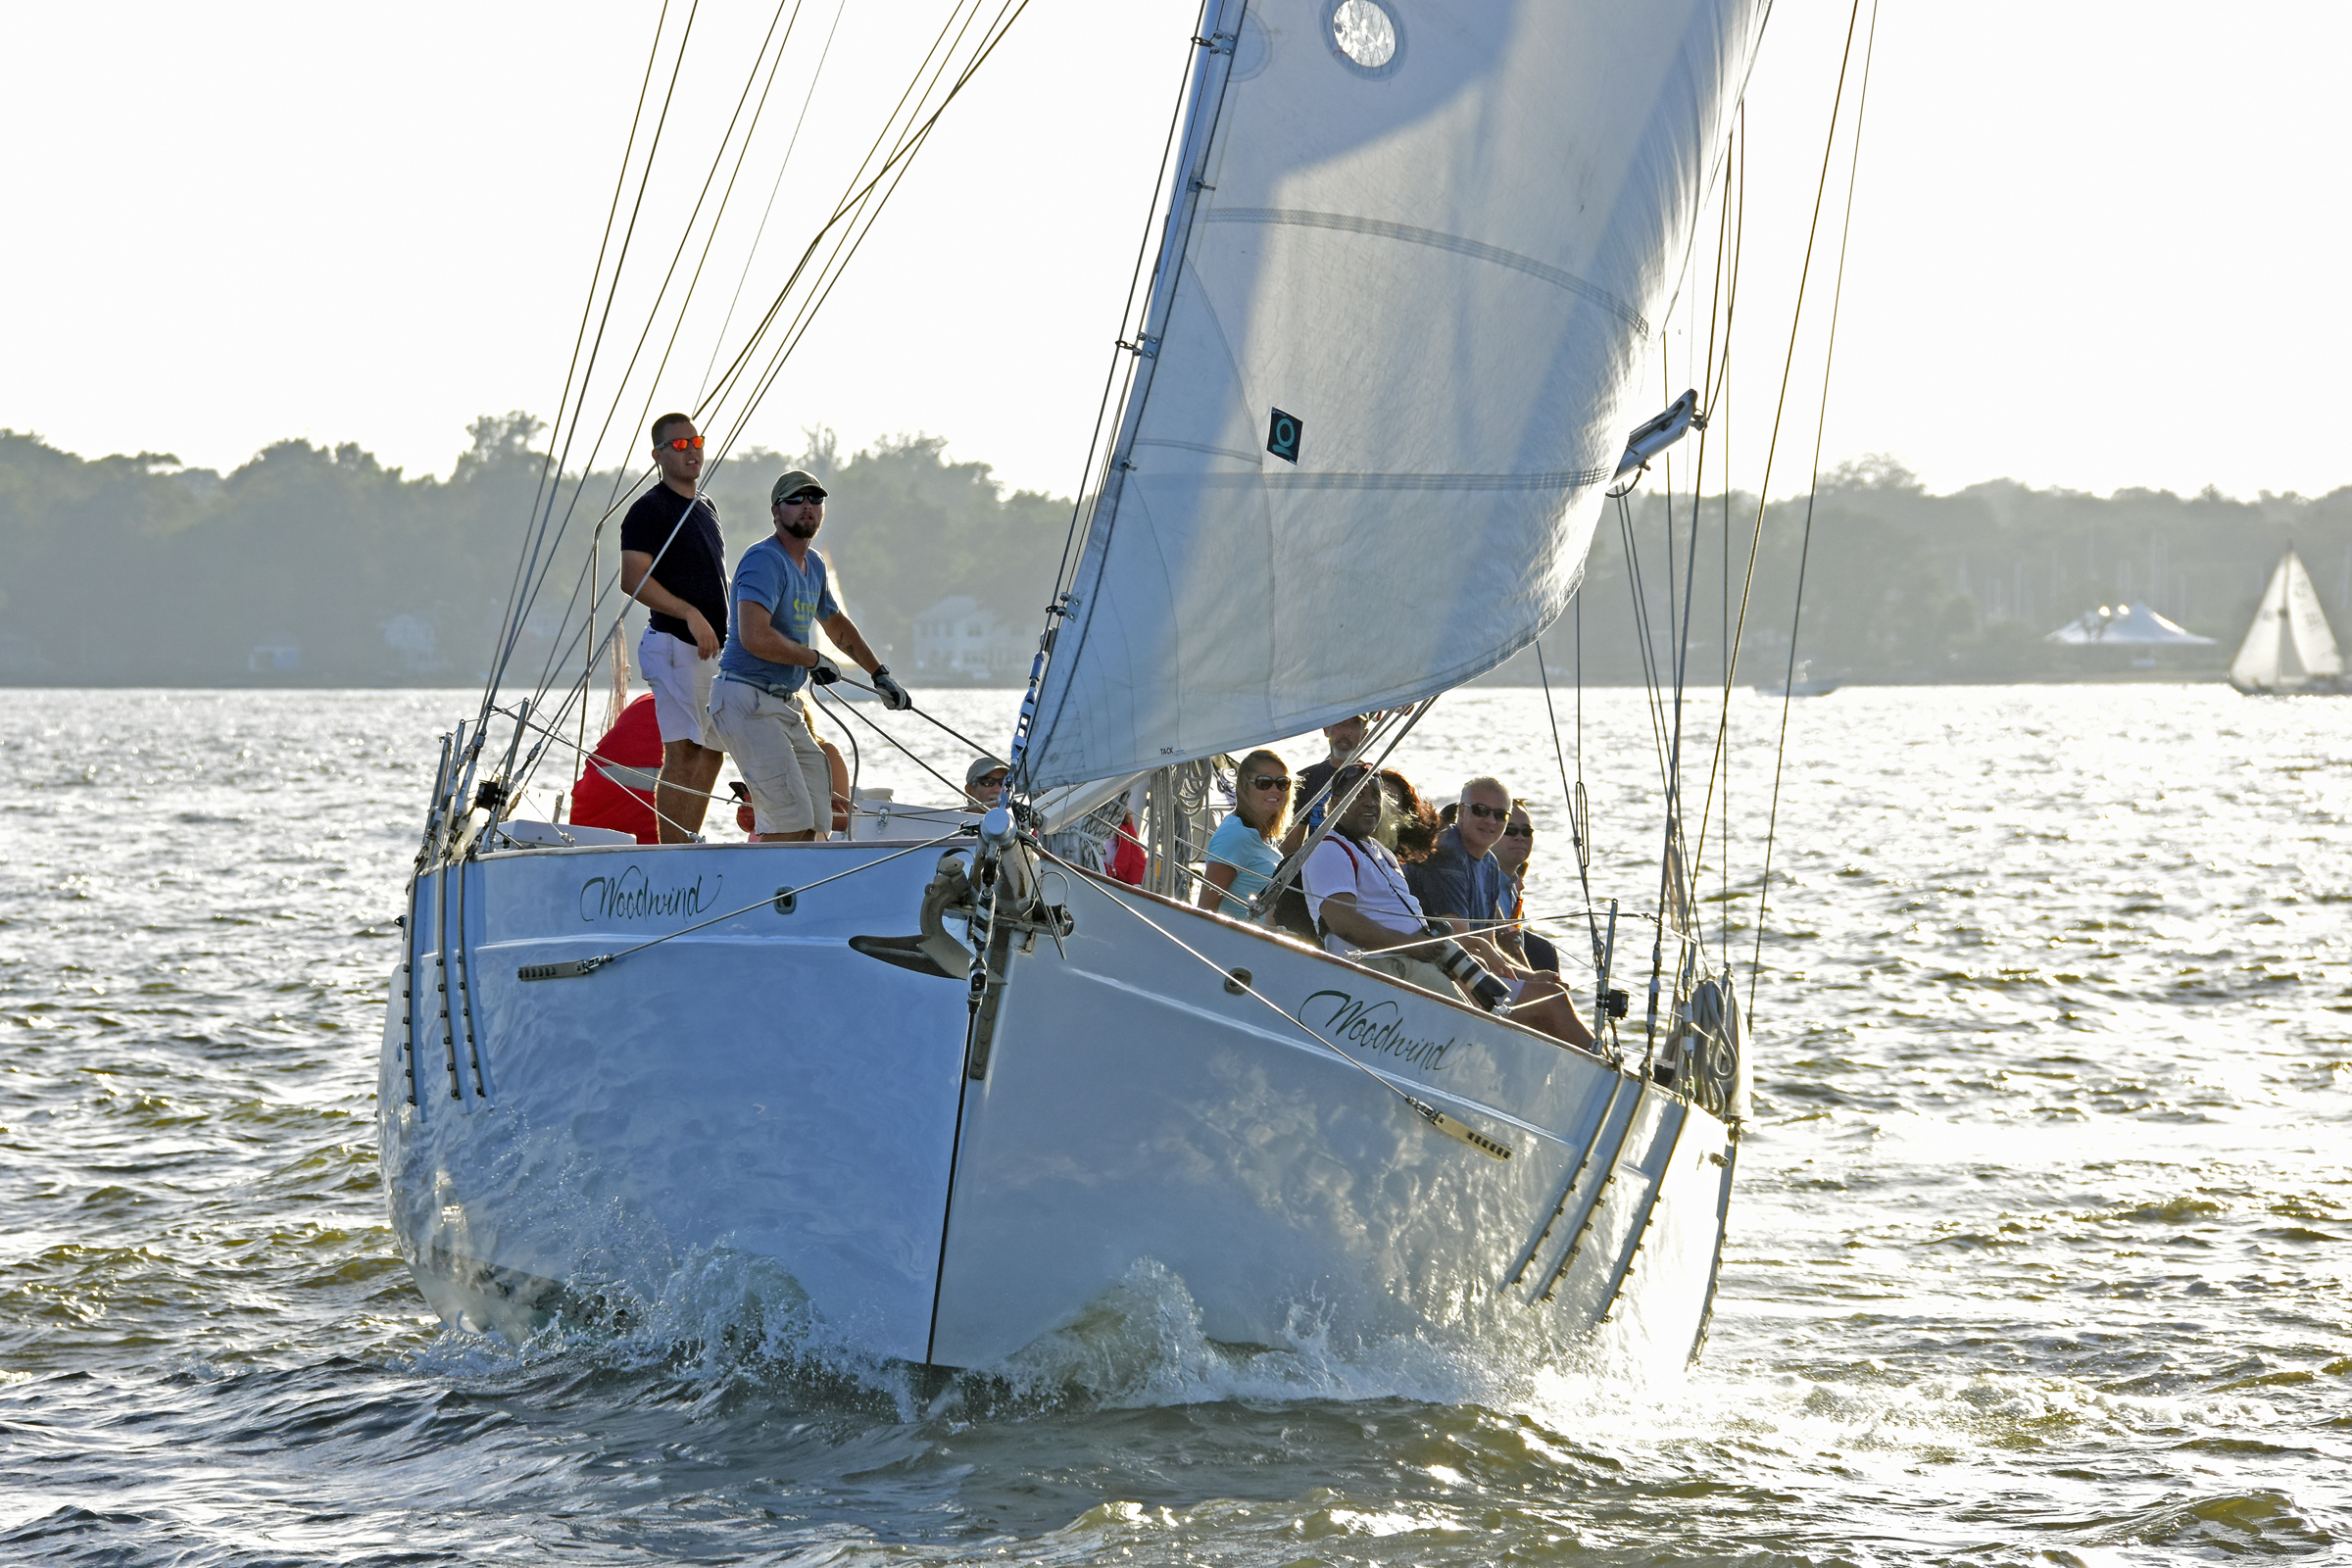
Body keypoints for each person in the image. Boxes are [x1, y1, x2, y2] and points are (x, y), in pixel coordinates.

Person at [1303, 766, 1593, 1048]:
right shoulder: (1330, 848)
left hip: (1420, 957)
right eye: (1357, 795)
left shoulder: (1379, 852)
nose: (1369, 803)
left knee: (1515, 1004)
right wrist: (1414, 945)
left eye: (1376, 796)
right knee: (1485, 1023)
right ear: (1335, 801)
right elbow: (1341, 921)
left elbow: (1486, 940)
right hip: (1389, 962)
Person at [706, 468, 913, 842]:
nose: (807, 506)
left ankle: (802, 896)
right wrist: (811, 659)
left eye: (815, 499)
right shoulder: (763, 561)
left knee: (819, 815)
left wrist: (879, 674)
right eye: (795, 499)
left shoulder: (814, 564)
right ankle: (762, 895)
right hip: (745, 699)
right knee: (791, 818)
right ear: (775, 510)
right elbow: (754, 637)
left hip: (784, 704)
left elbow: (836, 624)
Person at [619, 413, 730, 843]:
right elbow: (633, 579)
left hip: (713, 651)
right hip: (673, 643)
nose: (692, 450)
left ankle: (688, 843)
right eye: (679, 445)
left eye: (696, 441)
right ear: (658, 455)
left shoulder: (706, 506)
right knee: (683, 751)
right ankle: (672, 854)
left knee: (713, 753)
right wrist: (689, 613)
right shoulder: (649, 509)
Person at [1409, 775, 1516, 948]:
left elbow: (1489, 944)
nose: (1490, 821)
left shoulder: (1490, 864)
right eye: (1480, 810)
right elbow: (1462, 944)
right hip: (1433, 957)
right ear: (1462, 812)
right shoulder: (1445, 852)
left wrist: (1531, 975)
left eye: (1500, 815)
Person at [1198, 750, 1290, 914]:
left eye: (1282, 783)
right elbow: (1205, 910)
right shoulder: (1235, 835)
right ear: (1245, 787)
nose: (1275, 790)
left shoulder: (1264, 836)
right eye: (1264, 783)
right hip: (1239, 938)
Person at [1493, 800, 1560, 973]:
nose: (1520, 837)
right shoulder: (1485, 882)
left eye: (1526, 831)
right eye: (1510, 830)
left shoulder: (1512, 888)